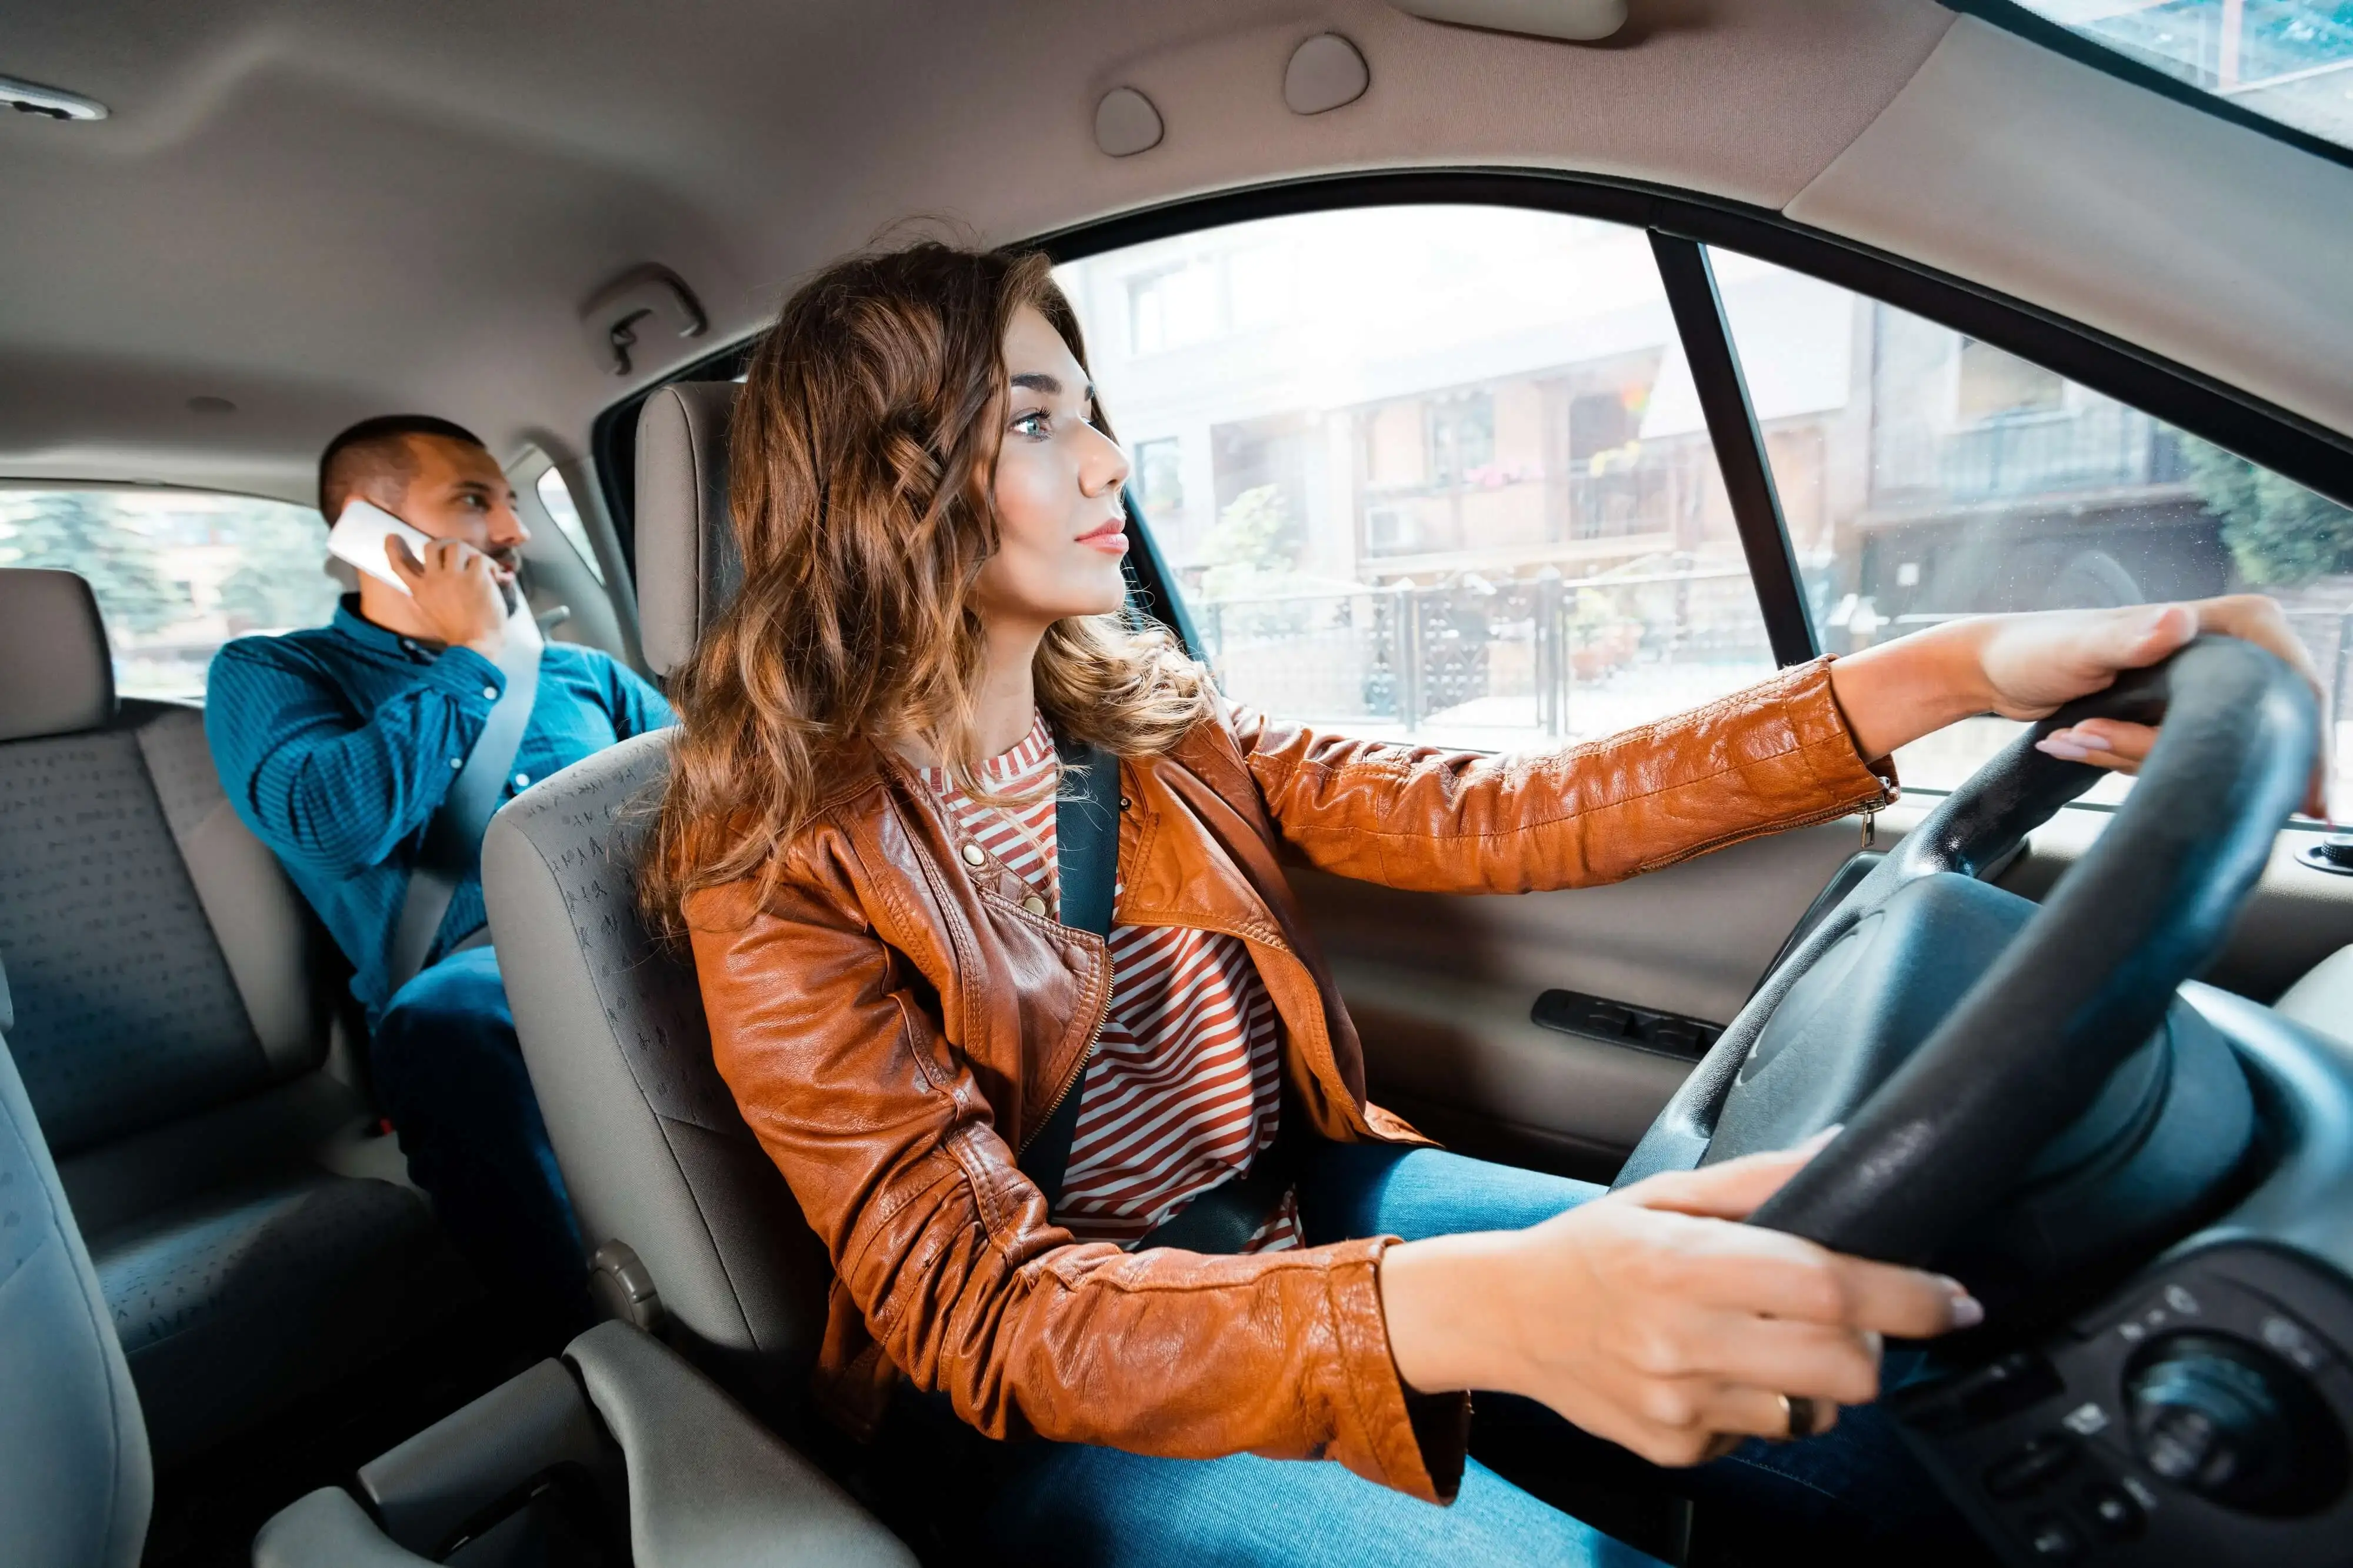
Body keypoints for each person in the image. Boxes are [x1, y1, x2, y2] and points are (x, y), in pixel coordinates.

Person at [641, 243, 2316, 1567]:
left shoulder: (1155, 720)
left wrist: (1955, 669)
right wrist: (1484, 1310)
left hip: (1316, 1208)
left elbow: (1516, 809)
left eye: (1089, 404)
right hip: (1075, 1405)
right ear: (885, 480)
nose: (1108, 455)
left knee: (1872, 1412)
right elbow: (984, 1309)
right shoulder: (777, 859)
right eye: (1032, 417)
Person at [208, 414, 672, 1339]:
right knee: (450, 1019)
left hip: (652, 938)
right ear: (369, 528)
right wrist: (469, 661)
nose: (514, 531)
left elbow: (711, 799)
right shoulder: (275, 673)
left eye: (509, 501)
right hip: (478, 982)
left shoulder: (583, 672)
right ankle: (590, 1349)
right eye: (474, 501)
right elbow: (331, 826)